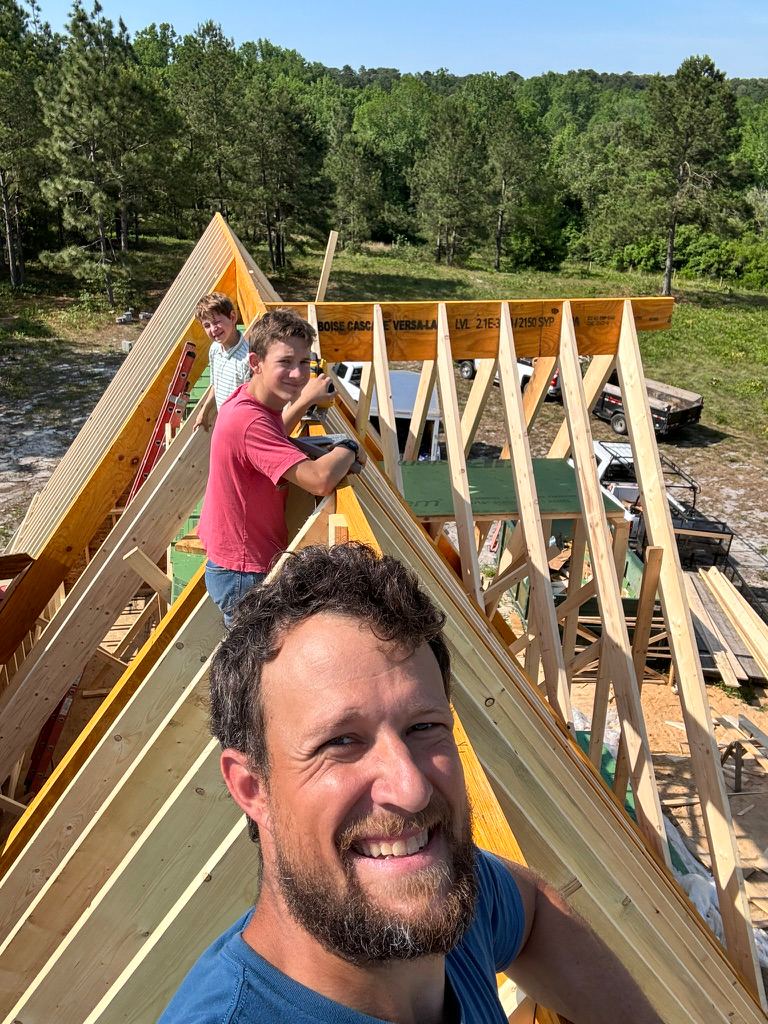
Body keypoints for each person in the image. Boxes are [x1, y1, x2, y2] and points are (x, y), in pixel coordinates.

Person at [159, 544, 662, 1024]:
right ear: (253, 789)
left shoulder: (444, 896)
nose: (411, 787)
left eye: (423, 728)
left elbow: (528, 909)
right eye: (341, 742)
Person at [196, 308, 361, 627]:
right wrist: (348, 448)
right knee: (256, 671)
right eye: (285, 362)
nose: (298, 374)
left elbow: (274, 436)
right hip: (245, 574)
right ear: (255, 363)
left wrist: (302, 402)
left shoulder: (251, 400)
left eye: (304, 363)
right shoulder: (250, 421)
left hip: (236, 561)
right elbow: (320, 480)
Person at [193, 292, 252, 432]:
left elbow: (251, 404)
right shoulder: (215, 350)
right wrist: (204, 411)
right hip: (224, 424)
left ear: (232, 317)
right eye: (207, 325)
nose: (213, 329)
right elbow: (216, 385)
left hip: (242, 428)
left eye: (217, 322)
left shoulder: (247, 358)